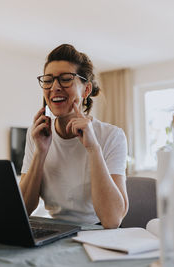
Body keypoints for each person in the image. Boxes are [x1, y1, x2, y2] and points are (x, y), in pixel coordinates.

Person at [19, 44, 128, 228]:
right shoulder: (36, 134)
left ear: (86, 90)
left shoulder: (112, 136)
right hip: (54, 231)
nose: (55, 87)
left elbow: (112, 220)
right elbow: (22, 210)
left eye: (66, 79)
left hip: (97, 232)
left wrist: (93, 148)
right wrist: (40, 152)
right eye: (48, 80)